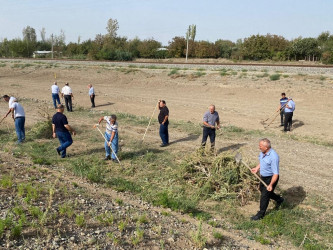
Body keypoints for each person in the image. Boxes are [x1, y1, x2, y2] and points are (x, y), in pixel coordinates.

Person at [251, 138, 284, 220]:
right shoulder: (263, 152)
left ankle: (260, 214)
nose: (259, 147)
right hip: (263, 177)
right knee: (263, 191)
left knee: (264, 196)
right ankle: (279, 199)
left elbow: (276, 174)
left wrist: (271, 184)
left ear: (266, 147)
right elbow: (262, 162)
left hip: (271, 178)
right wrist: (257, 168)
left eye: (260, 146)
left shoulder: (274, 157)